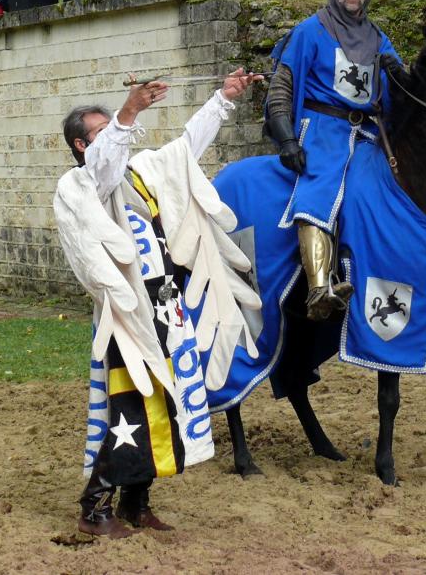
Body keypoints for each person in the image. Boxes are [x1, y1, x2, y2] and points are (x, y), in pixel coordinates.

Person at [55, 69, 260, 537]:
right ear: (82, 146)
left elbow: (186, 148)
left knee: (165, 405)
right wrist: (129, 111)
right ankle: (94, 508)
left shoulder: (141, 171)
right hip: (129, 318)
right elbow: (104, 164)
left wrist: (223, 99)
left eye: (116, 127)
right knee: (130, 411)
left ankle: (136, 501)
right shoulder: (84, 184)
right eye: (103, 132)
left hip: (167, 308)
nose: (118, 137)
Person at [265, 0, 400, 320]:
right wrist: (286, 138)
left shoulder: (378, 39)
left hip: (368, 133)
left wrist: (398, 76)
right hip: (322, 130)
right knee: (319, 191)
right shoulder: (311, 31)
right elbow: (282, 85)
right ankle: (319, 288)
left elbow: (401, 96)